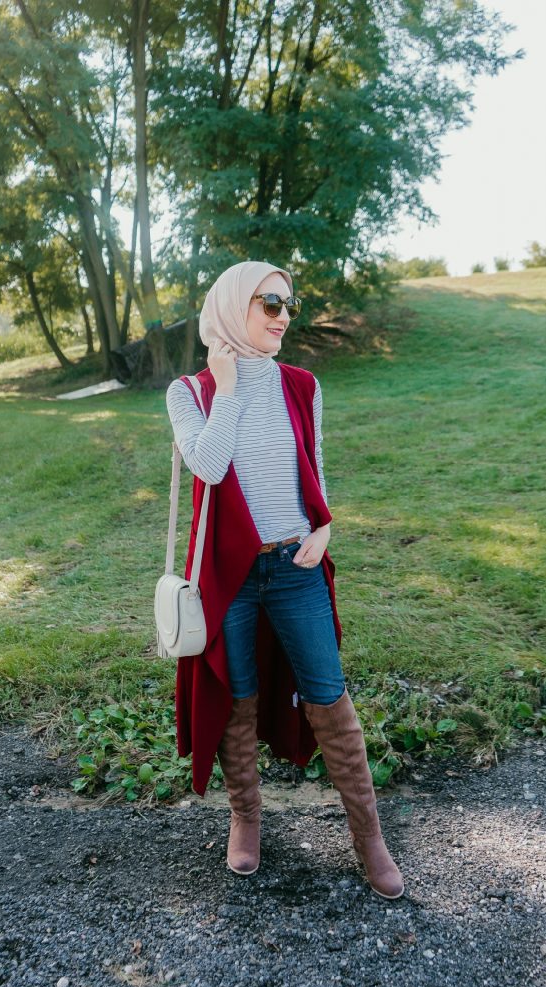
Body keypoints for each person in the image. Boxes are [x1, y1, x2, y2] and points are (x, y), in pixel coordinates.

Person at [165, 260, 403, 900]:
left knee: (328, 693)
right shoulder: (189, 392)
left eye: (289, 305)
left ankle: (369, 838)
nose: (283, 316)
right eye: (269, 303)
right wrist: (228, 388)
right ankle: (246, 817)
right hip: (231, 575)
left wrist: (324, 526)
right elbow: (210, 467)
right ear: (232, 306)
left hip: (297, 565)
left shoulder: (302, 384)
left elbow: (313, 470)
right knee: (238, 694)